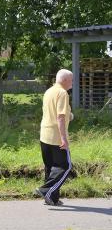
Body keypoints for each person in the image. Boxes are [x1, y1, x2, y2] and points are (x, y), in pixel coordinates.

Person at [33, 69, 74, 206]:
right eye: (71, 80)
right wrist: (64, 138)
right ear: (65, 80)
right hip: (57, 137)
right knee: (66, 166)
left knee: (50, 167)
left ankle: (52, 198)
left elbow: (55, 112)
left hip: (45, 135)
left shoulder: (49, 91)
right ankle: (45, 190)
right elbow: (60, 117)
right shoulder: (62, 93)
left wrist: (70, 116)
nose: (72, 82)